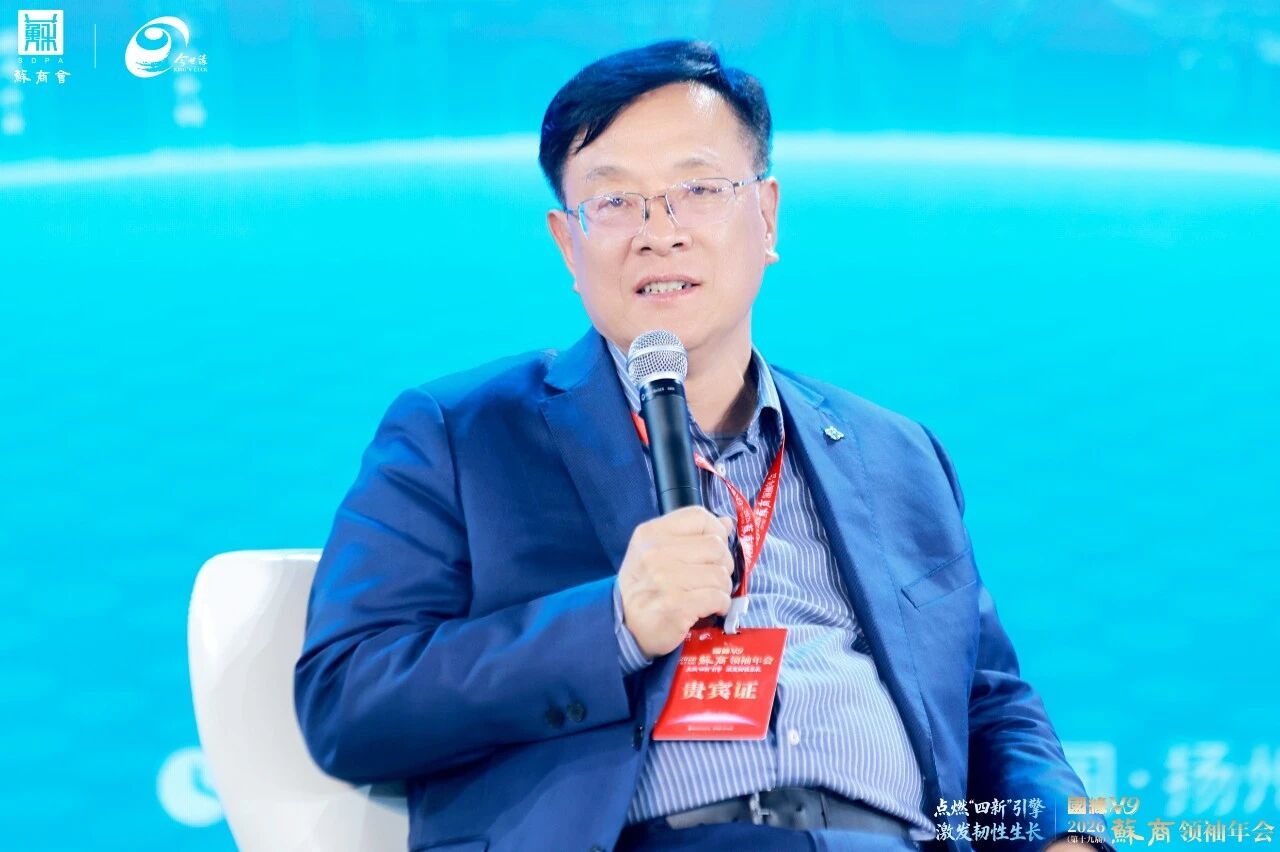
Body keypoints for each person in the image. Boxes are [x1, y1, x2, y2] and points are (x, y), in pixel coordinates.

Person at [294, 40, 1113, 852]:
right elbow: (346, 699)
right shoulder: (463, 432)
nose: (660, 233)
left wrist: (1064, 836)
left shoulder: (896, 454)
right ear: (567, 243)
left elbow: (986, 703)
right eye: (615, 202)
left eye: (697, 190)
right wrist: (613, 624)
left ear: (767, 215)